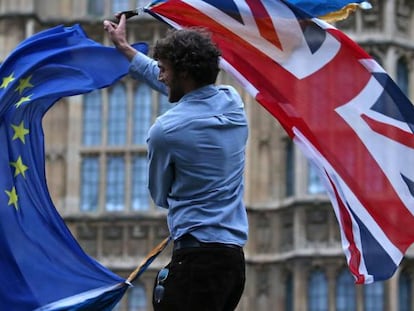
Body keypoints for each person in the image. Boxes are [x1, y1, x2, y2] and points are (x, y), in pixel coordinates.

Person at [104, 14, 249, 311]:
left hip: (195, 261)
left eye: (164, 70)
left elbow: (160, 195)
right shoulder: (232, 102)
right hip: (232, 263)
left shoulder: (165, 131)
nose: (160, 77)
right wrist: (126, 49)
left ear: (183, 74)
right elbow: (192, 96)